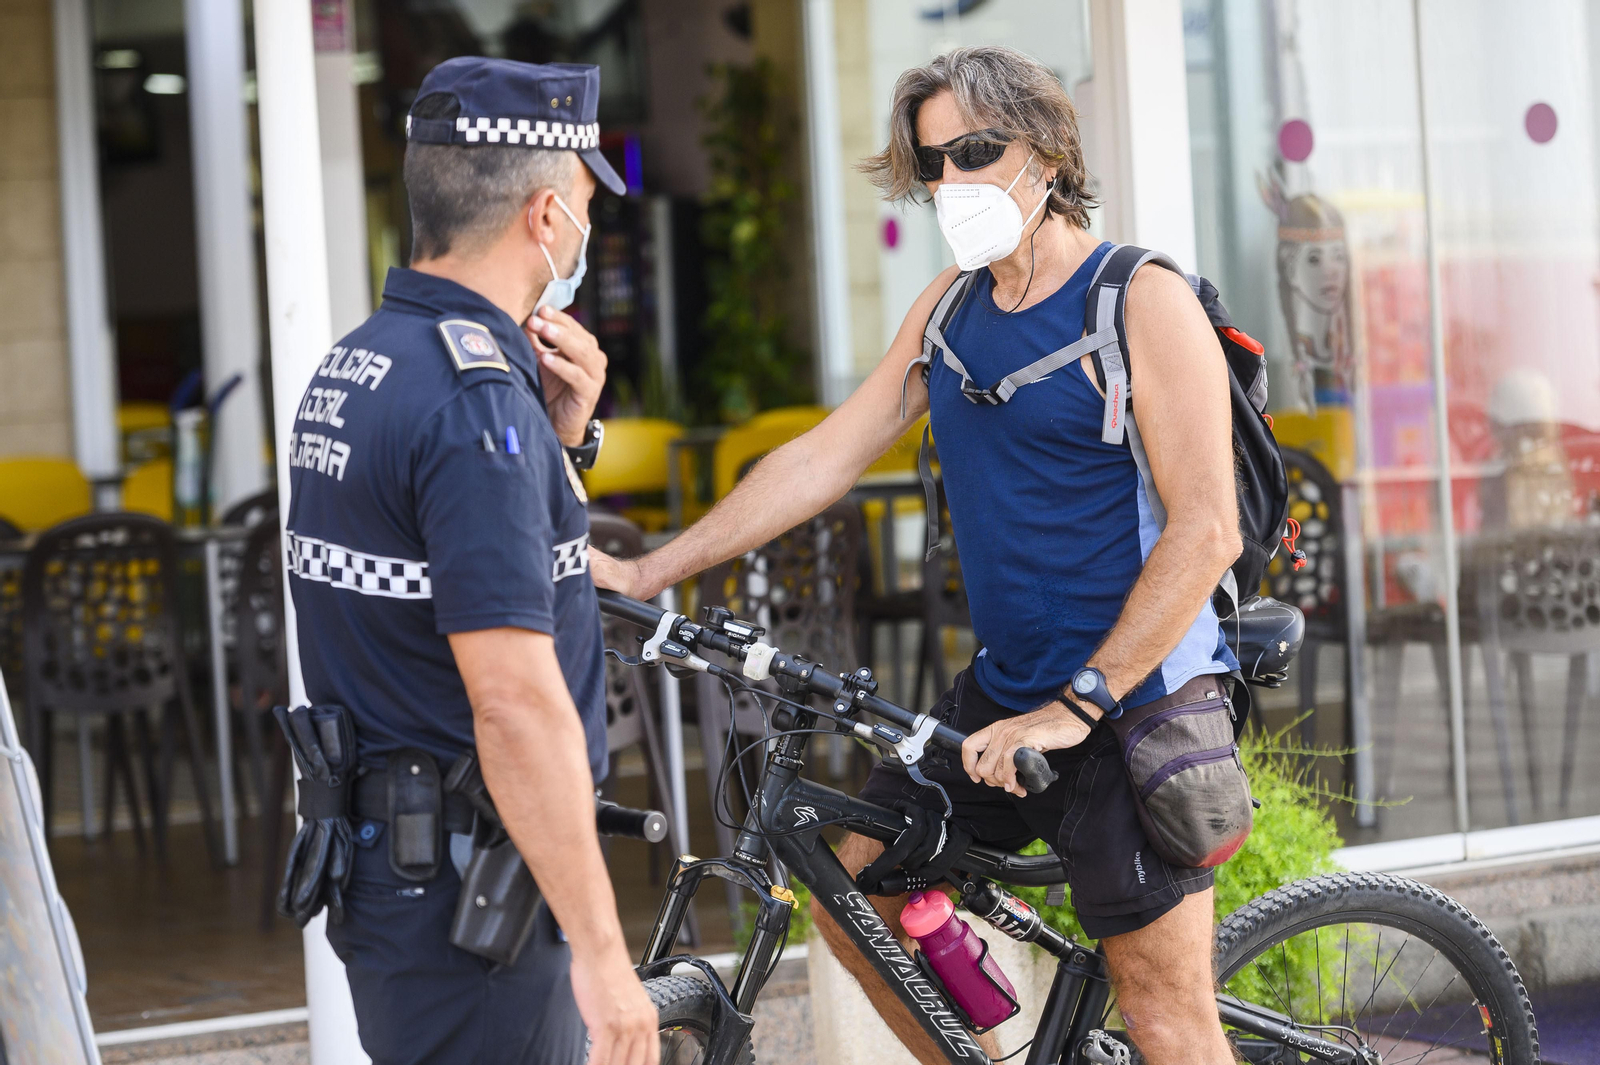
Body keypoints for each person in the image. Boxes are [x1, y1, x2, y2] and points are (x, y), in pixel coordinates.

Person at [594, 46, 1241, 1065]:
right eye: (932, 162)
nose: (952, 181)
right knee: (853, 890)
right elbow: (822, 459)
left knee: (1164, 1016)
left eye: (976, 151)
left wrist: (1074, 707)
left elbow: (1209, 529)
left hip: (1134, 702)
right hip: (1007, 694)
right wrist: (646, 571)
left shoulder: (1137, 300)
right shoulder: (950, 309)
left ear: (1048, 151)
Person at [283, 57, 658, 1065]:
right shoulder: (472, 398)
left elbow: (437, 565)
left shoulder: (362, 363)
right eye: (584, 200)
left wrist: (561, 447)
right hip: (471, 896)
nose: (586, 226)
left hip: (400, 877)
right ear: (545, 215)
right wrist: (605, 956)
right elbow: (512, 702)